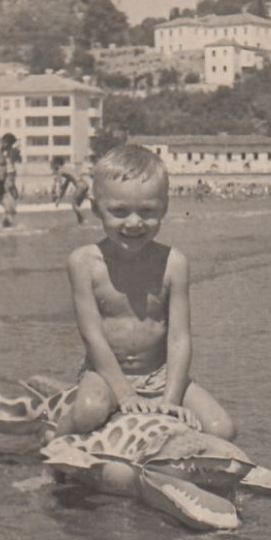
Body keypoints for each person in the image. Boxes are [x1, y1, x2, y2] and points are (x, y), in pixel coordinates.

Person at [52, 144, 235, 440]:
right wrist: (124, 395)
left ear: (164, 207)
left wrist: (170, 401)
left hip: (162, 375)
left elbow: (179, 338)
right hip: (105, 373)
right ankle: (55, 444)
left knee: (222, 429)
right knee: (88, 411)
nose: (134, 223)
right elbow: (92, 337)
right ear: (96, 208)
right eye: (120, 211)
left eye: (148, 211)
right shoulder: (84, 263)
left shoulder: (174, 263)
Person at [50, 156, 90, 225]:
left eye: (53, 164)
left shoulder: (60, 171)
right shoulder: (68, 170)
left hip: (80, 186)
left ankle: (85, 221)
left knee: (74, 205)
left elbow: (61, 186)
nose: (52, 166)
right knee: (77, 206)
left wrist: (57, 197)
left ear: (56, 164)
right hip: (85, 184)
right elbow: (65, 186)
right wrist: (59, 199)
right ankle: (81, 223)